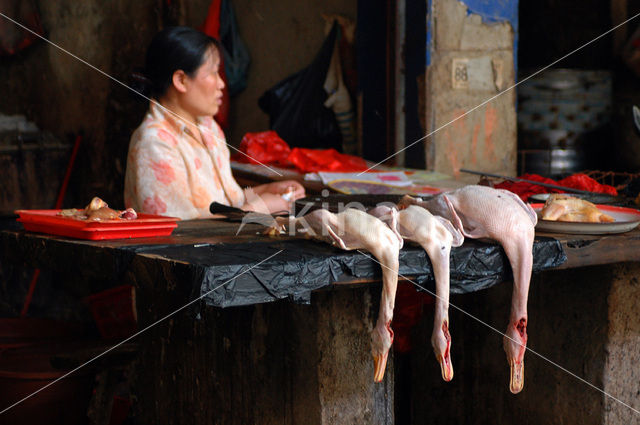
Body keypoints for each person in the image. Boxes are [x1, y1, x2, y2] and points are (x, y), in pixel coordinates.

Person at [124, 26, 305, 219]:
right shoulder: (153, 143)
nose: (221, 84)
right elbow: (180, 232)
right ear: (181, 80)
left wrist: (268, 190)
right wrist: (259, 208)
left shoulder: (208, 127)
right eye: (212, 73)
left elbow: (223, 205)